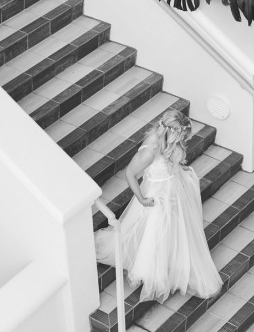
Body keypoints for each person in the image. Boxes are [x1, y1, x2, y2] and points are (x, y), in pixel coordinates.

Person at [94, 109, 223, 303]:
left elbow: (171, 159)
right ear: (169, 131)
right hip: (157, 197)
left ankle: (173, 261)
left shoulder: (170, 142)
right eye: (180, 136)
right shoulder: (149, 152)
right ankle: (155, 272)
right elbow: (130, 174)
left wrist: (180, 167)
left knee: (175, 229)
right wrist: (142, 199)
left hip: (174, 190)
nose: (182, 141)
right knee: (157, 233)